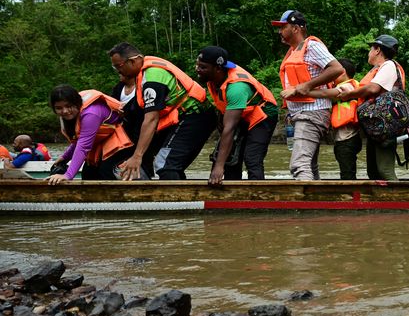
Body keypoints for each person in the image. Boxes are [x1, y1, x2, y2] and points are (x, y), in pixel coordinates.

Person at [108, 42, 216, 180]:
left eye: (118, 66)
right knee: (153, 153)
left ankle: (176, 200)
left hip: (195, 116)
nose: (117, 70)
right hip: (181, 117)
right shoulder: (144, 73)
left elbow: (151, 119)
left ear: (133, 61)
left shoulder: (152, 79)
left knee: (165, 164)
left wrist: (137, 156)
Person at [272, 10, 344, 181]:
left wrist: (305, 86)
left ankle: (305, 206)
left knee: (299, 165)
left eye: (283, 27)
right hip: (302, 113)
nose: (279, 32)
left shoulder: (311, 46)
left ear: (296, 28)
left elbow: (337, 68)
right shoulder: (292, 51)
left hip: (312, 112)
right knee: (309, 165)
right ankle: (316, 203)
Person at [195, 46, 279, 185]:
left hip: (263, 114)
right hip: (241, 113)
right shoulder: (213, 77)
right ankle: (230, 194)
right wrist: (220, 162)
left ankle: (258, 196)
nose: (197, 69)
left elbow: (230, 128)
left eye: (203, 67)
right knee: (230, 156)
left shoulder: (237, 88)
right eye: (197, 65)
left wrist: (219, 167)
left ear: (217, 69)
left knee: (252, 157)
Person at [337, 35, 405, 181]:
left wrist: (349, 94)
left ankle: (397, 201)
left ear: (378, 50)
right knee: (373, 171)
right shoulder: (380, 68)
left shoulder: (388, 65)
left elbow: (373, 88)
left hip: (385, 126)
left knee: (384, 170)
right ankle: (381, 202)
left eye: (371, 49)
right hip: (377, 125)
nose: (369, 52)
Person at [286, 58, 363, 180]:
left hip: (348, 138)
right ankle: (349, 195)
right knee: (345, 169)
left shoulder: (349, 86)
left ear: (341, 72)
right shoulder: (349, 86)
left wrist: (302, 91)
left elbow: (325, 94)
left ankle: (351, 197)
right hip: (345, 137)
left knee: (347, 172)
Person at [45, 85, 135, 185]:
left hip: (122, 139)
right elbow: (78, 139)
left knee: (105, 171)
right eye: (59, 108)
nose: (65, 111)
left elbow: (83, 146)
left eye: (69, 106)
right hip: (100, 141)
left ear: (77, 103)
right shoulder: (68, 115)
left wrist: (67, 176)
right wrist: (65, 157)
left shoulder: (91, 113)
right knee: (88, 173)